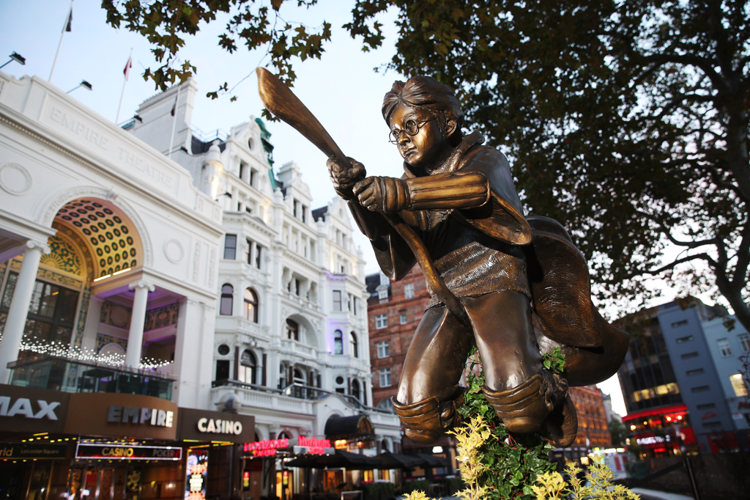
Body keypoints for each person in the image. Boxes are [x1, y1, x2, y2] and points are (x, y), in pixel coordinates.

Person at [328, 76, 626, 446]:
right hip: (445, 295)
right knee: (418, 417)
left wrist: (402, 192)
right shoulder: (412, 185)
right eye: (396, 132)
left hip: (495, 279)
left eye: (411, 125)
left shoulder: (484, 159)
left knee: (520, 408)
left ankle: (542, 397)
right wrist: (355, 197)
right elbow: (396, 249)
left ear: (447, 123)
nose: (403, 138)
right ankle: (492, 417)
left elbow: (476, 188)